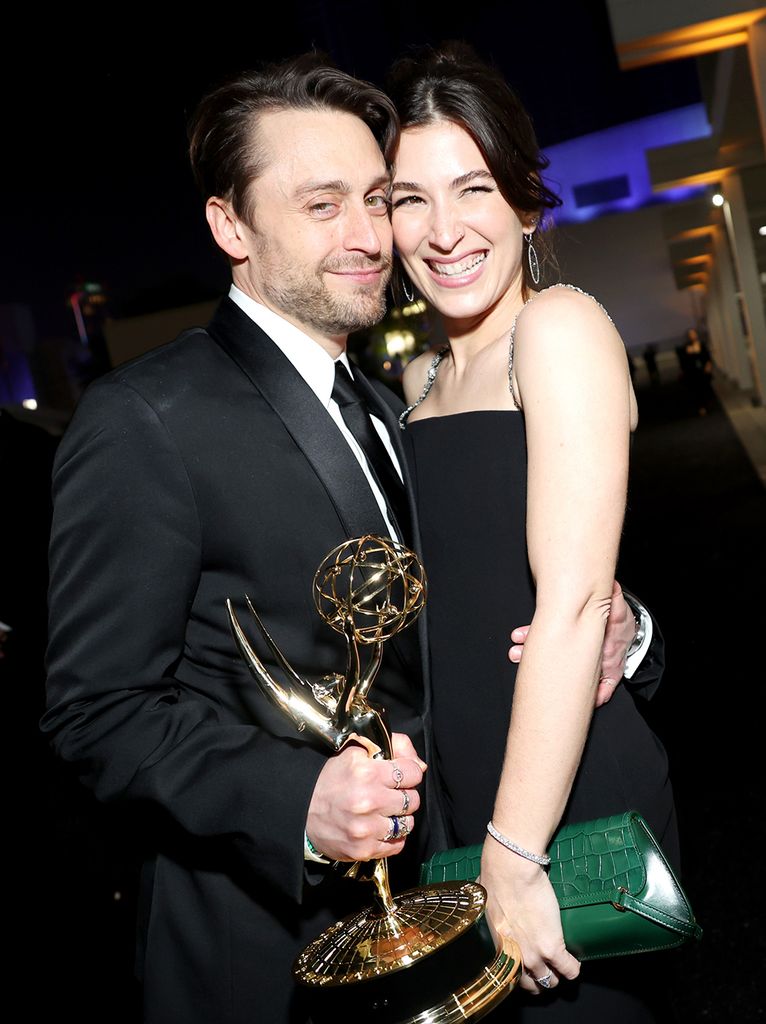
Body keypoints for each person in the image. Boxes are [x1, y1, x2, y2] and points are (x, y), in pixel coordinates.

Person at [42, 52, 659, 1024]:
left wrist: (628, 626)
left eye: (377, 199)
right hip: (264, 950)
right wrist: (295, 805)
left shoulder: (390, 401)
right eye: (323, 205)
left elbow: (491, 590)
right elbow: (95, 711)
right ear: (228, 225)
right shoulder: (146, 417)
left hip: (452, 895)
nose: (371, 235)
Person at [387, 42, 679, 1021]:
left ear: (521, 198)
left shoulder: (556, 328)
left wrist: (514, 853)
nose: (442, 229)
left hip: (559, 812)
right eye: (407, 198)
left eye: (469, 188)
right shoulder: (412, 382)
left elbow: (572, 603)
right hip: (458, 808)